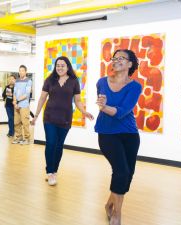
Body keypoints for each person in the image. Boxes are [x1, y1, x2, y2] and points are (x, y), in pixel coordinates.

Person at [95, 49, 142, 225]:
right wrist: (104, 107)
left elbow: (122, 112)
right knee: (121, 171)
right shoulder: (101, 82)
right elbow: (103, 106)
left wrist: (105, 107)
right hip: (107, 133)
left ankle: (108, 204)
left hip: (130, 134)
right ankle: (117, 213)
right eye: (114, 58)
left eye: (121, 58)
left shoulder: (135, 86)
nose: (116, 60)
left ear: (130, 64)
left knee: (127, 174)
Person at [31, 56, 94, 186]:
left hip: (65, 118)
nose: (59, 67)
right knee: (51, 143)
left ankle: (54, 171)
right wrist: (36, 115)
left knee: (59, 145)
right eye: (57, 65)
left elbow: (77, 100)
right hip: (49, 117)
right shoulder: (49, 80)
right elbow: (42, 98)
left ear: (68, 67)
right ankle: (49, 172)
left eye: (62, 65)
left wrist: (84, 111)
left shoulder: (74, 81)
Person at [12, 65, 32, 144]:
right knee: (16, 122)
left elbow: (26, 94)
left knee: (25, 122)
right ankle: (19, 137)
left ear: (25, 72)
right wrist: (14, 101)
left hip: (24, 105)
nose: (21, 72)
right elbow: (14, 92)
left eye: (22, 71)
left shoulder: (29, 81)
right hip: (16, 105)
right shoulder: (17, 81)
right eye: (19, 71)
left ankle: (27, 139)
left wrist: (17, 100)